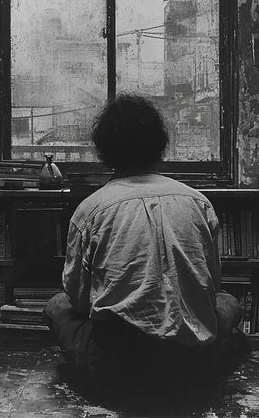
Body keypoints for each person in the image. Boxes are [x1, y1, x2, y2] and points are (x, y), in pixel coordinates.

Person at [44, 94, 246, 394]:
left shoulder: (90, 210)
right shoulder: (198, 203)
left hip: (115, 370)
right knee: (229, 303)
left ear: (105, 150)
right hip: (193, 366)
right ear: (159, 145)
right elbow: (210, 286)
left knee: (56, 305)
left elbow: (79, 300)